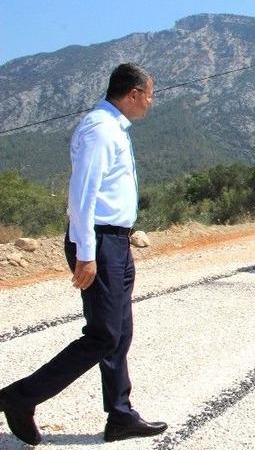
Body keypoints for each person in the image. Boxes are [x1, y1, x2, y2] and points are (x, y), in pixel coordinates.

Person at [0, 63, 167, 445]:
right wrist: (87, 254)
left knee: (119, 332)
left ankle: (120, 416)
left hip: (116, 242)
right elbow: (81, 196)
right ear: (134, 94)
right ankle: (19, 398)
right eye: (150, 95)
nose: (151, 103)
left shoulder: (114, 128)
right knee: (103, 336)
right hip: (98, 241)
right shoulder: (100, 129)